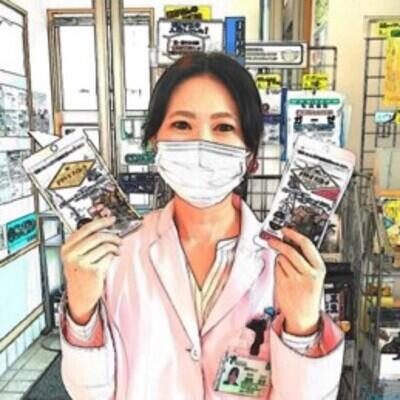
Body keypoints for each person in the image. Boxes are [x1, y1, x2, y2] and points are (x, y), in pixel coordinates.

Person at [59, 52, 344, 399]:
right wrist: (81, 310)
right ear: (154, 141)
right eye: (182, 124)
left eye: (224, 127)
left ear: (250, 154)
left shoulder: (285, 262)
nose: (201, 143)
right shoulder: (117, 251)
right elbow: (88, 394)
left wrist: (303, 327)